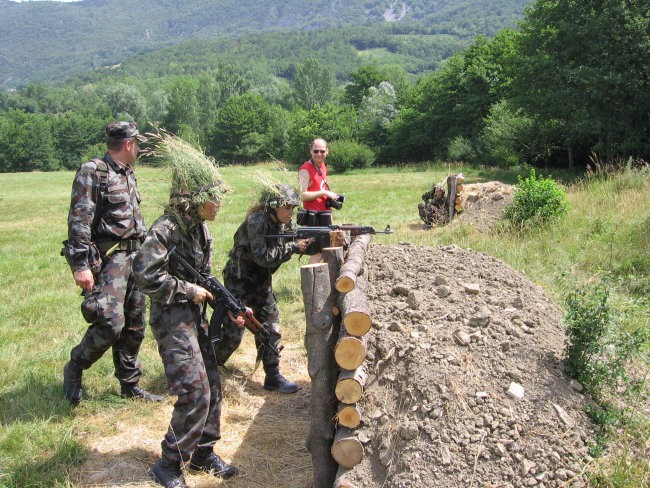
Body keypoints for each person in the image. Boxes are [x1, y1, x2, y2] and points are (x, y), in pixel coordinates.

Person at [133, 136, 241, 487]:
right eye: (214, 196)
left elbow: (204, 276)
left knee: (212, 382)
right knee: (194, 390)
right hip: (171, 316)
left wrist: (228, 305)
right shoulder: (166, 230)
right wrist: (188, 291)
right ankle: (168, 463)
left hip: (194, 316)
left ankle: (202, 452)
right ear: (196, 199)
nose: (219, 203)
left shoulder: (200, 229)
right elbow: (146, 277)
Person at [62, 121, 162, 405]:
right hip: (110, 260)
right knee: (110, 323)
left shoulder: (128, 173)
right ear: (129, 144)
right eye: (138, 144)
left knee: (134, 325)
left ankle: (130, 385)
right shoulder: (93, 172)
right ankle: (75, 367)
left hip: (135, 258)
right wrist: (81, 265)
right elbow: (79, 221)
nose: (139, 148)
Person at [216, 184, 311, 394]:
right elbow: (264, 257)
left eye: (293, 209)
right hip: (239, 280)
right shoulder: (256, 222)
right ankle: (210, 366)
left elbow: (293, 239)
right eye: (287, 208)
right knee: (233, 333)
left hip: (261, 280)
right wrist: (293, 248)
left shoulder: (284, 223)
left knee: (270, 329)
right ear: (274, 206)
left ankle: (273, 375)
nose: (291, 213)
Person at [298, 137, 340, 264]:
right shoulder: (305, 169)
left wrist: (329, 213)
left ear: (327, 151)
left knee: (325, 250)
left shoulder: (322, 167)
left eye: (322, 151)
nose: (319, 154)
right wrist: (324, 192)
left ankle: (317, 280)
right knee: (317, 252)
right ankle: (309, 282)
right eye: (316, 151)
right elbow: (302, 195)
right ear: (310, 151)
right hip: (313, 217)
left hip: (324, 215)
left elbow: (321, 190)